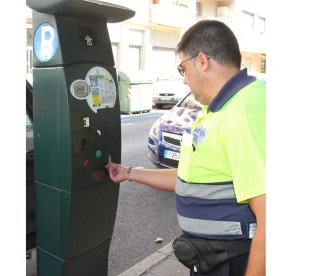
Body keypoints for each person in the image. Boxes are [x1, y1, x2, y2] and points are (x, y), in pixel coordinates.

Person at [106, 19, 265, 276]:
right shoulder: (220, 109)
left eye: (183, 68)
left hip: (233, 261)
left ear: (202, 61)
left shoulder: (244, 111)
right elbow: (190, 179)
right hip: (212, 258)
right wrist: (129, 173)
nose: (183, 80)